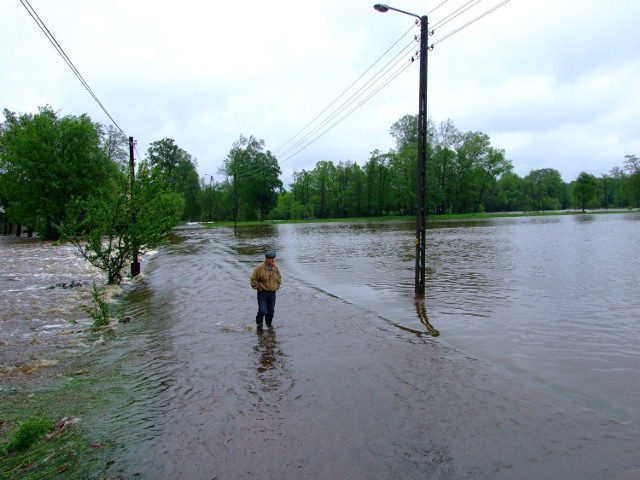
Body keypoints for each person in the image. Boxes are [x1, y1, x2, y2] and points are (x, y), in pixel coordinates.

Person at [250, 250, 281, 332]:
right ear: (267, 259)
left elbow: (279, 278)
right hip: (262, 293)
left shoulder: (276, 268)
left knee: (271, 311)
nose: (273, 260)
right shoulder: (259, 268)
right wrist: (258, 288)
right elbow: (253, 279)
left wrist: (277, 287)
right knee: (262, 310)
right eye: (271, 259)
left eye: (274, 258)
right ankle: (259, 327)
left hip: (272, 293)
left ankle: (268, 326)